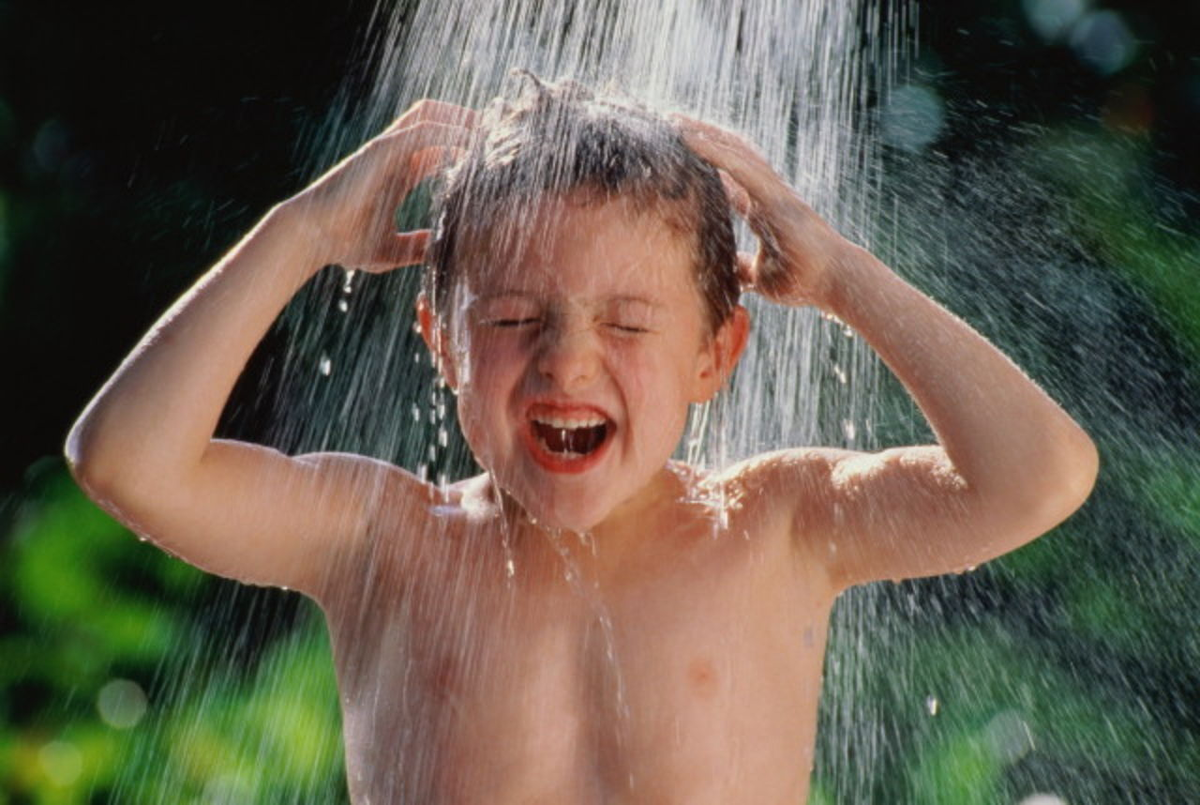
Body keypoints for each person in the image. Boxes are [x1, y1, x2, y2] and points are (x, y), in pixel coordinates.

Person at [65, 77, 1098, 803]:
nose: (565, 361)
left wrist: (836, 277)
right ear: (443, 344)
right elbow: (125, 461)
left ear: (717, 353)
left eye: (630, 323)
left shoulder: (774, 522)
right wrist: (304, 232)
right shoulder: (383, 537)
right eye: (513, 319)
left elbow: (1038, 474)